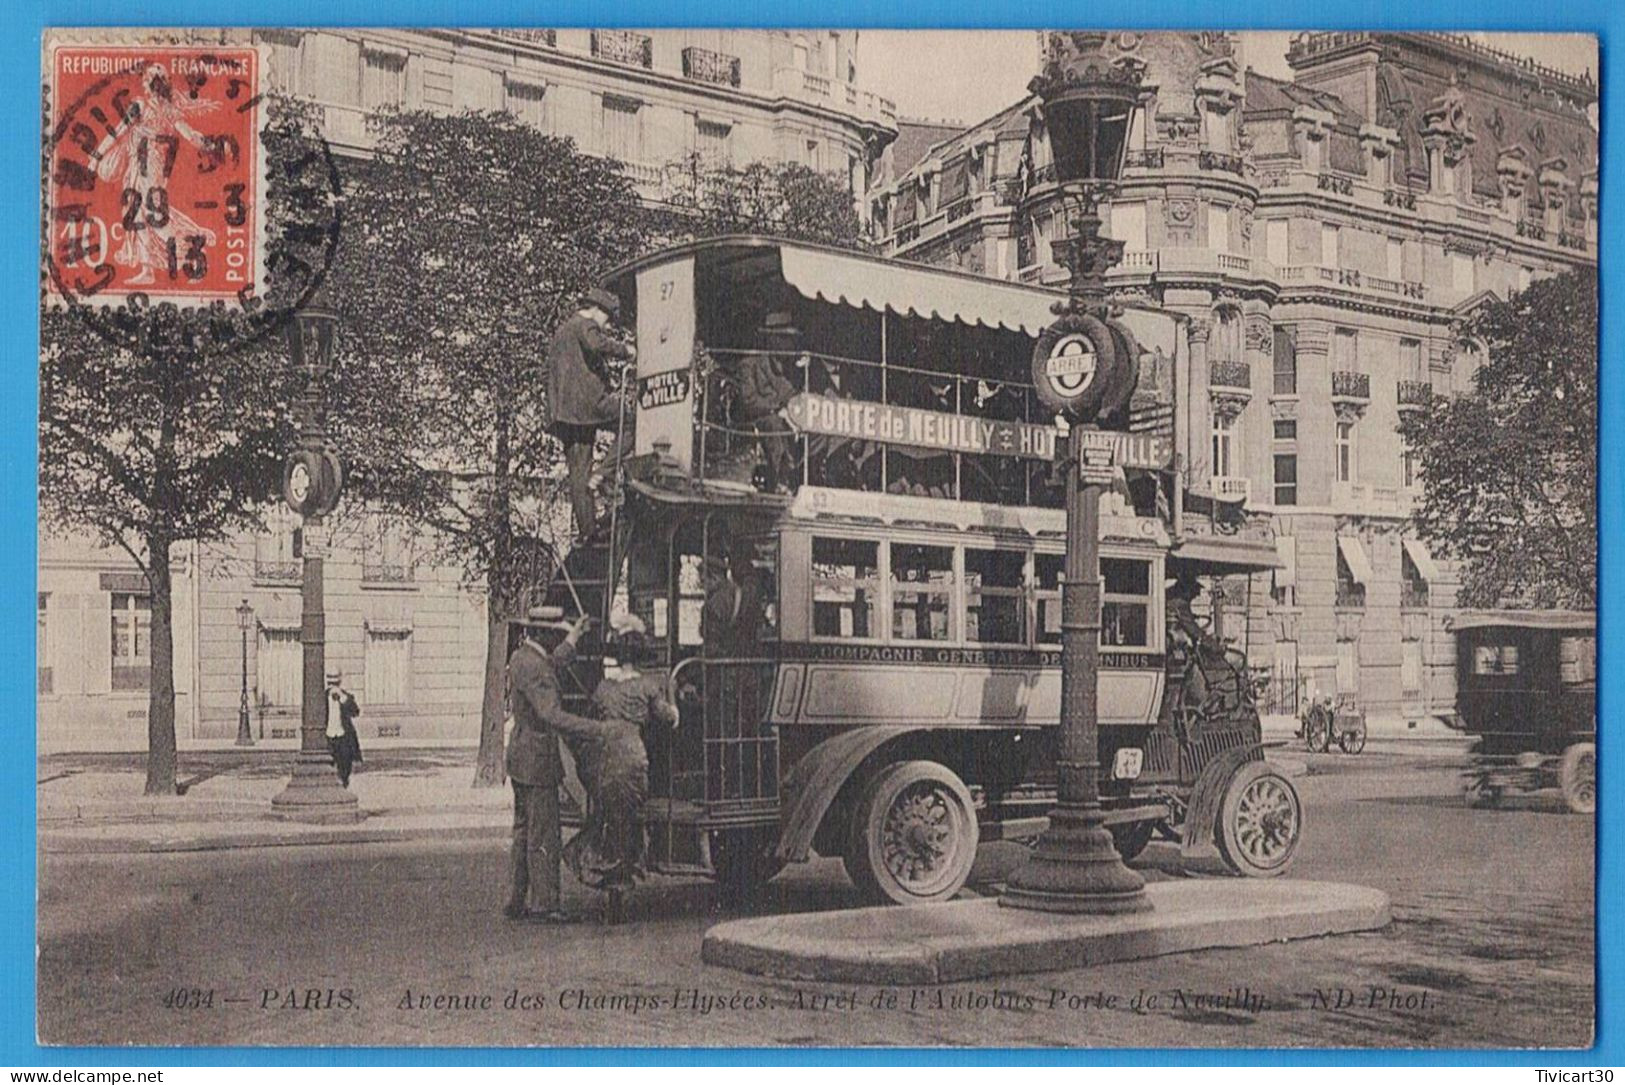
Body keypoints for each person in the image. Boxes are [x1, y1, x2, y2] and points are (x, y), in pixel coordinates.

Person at [563, 614, 677, 924]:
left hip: (603, 759)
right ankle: (621, 881)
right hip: (630, 756)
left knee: (608, 817)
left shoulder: (603, 688)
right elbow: (666, 718)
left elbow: (589, 719)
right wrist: (675, 710)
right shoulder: (648, 686)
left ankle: (606, 877)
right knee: (628, 819)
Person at [505, 607, 599, 923]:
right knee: (543, 834)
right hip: (538, 759)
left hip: (520, 756)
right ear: (544, 634)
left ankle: (517, 899)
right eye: (556, 633)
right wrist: (593, 728)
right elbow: (551, 714)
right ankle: (545, 904)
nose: (558, 637)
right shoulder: (536, 667)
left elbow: (552, 663)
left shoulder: (523, 657)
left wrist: (575, 637)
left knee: (522, 831)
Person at [546, 287, 636, 541]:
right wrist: (626, 350)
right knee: (633, 422)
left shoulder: (562, 330)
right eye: (607, 317)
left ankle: (587, 532)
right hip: (587, 404)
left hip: (564, 413)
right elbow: (596, 343)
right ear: (597, 309)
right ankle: (604, 472)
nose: (607, 324)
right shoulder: (585, 325)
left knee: (578, 471)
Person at [733, 312, 802, 493]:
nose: (788, 344)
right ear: (770, 339)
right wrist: (777, 409)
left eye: (789, 339)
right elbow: (749, 400)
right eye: (783, 338)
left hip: (783, 418)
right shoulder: (749, 364)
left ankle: (804, 477)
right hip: (758, 419)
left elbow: (791, 395)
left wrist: (796, 411)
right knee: (774, 425)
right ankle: (781, 480)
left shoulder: (788, 368)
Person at [324, 669, 362, 788]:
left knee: (345, 765)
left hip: (343, 736)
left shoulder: (346, 697)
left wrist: (342, 698)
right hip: (327, 736)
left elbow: (355, 712)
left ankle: (344, 786)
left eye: (335, 683)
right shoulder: (320, 698)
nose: (333, 686)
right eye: (331, 683)